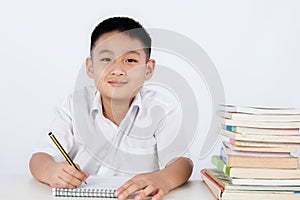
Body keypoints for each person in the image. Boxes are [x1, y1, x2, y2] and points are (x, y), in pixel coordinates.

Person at [29, 16, 193, 200]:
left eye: (130, 60)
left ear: (148, 69)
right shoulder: (74, 105)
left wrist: (163, 179)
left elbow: (182, 163)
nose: (117, 70)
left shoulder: (162, 108)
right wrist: (51, 171)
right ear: (90, 68)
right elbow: (39, 158)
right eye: (106, 59)